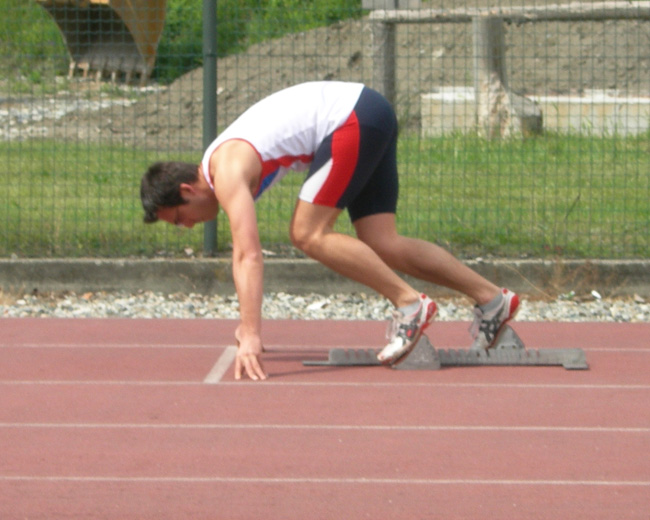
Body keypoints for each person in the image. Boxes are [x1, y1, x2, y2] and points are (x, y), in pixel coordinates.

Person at [140, 81, 519, 381]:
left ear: (188, 190)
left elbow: (247, 254)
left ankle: (410, 306)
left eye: (179, 218)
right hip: (370, 110)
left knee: (307, 233)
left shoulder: (224, 171)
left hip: (351, 118)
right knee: (382, 241)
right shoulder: (221, 161)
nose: (185, 226)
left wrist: (251, 332)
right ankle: (491, 300)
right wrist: (245, 325)